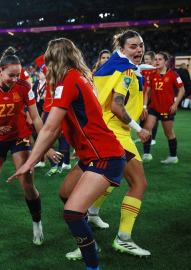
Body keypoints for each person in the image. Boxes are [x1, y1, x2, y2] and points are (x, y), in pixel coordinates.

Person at [9, 37, 127, 270]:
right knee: (66, 194)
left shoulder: (67, 81)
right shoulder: (77, 77)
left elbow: (51, 127)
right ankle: (88, 244)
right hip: (92, 154)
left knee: (72, 212)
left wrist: (29, 162)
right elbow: (57, 128)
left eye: (47, 63)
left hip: (105, 156)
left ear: (55, 60)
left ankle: (92, 263)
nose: (45, 69)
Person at [0, 47, 58, 245]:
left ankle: (37, 224)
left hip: (20, 137)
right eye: (10, 75)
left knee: (28, 187)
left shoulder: (24, 86)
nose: (15, 79)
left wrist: (45, 145)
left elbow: (37, 118)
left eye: (18, 74)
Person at [91, 30, 151, 258]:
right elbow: (117, 106)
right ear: (122, 48)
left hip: (106, 131)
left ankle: (91, 211)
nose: (139, 50)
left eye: (141, 45)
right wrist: (140, 129)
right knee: (139, 183)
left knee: (112, 177)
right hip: (117, 134)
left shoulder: (112, 66)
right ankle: (124, 238)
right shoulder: (125, 70)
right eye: (133, 46)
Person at [141, 52, 185, 164]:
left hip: (167, 109)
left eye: (160, 59)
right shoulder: (152, 76)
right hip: (153, 109)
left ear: (166, 61)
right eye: (156, 59)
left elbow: (182, 90)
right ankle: (146, 154)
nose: (157, 61)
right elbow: (147, 93)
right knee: (146, 129)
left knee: (168, 133)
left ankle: (173, 157)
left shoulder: (173, 75)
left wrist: (175, 105)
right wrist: (145, 106)